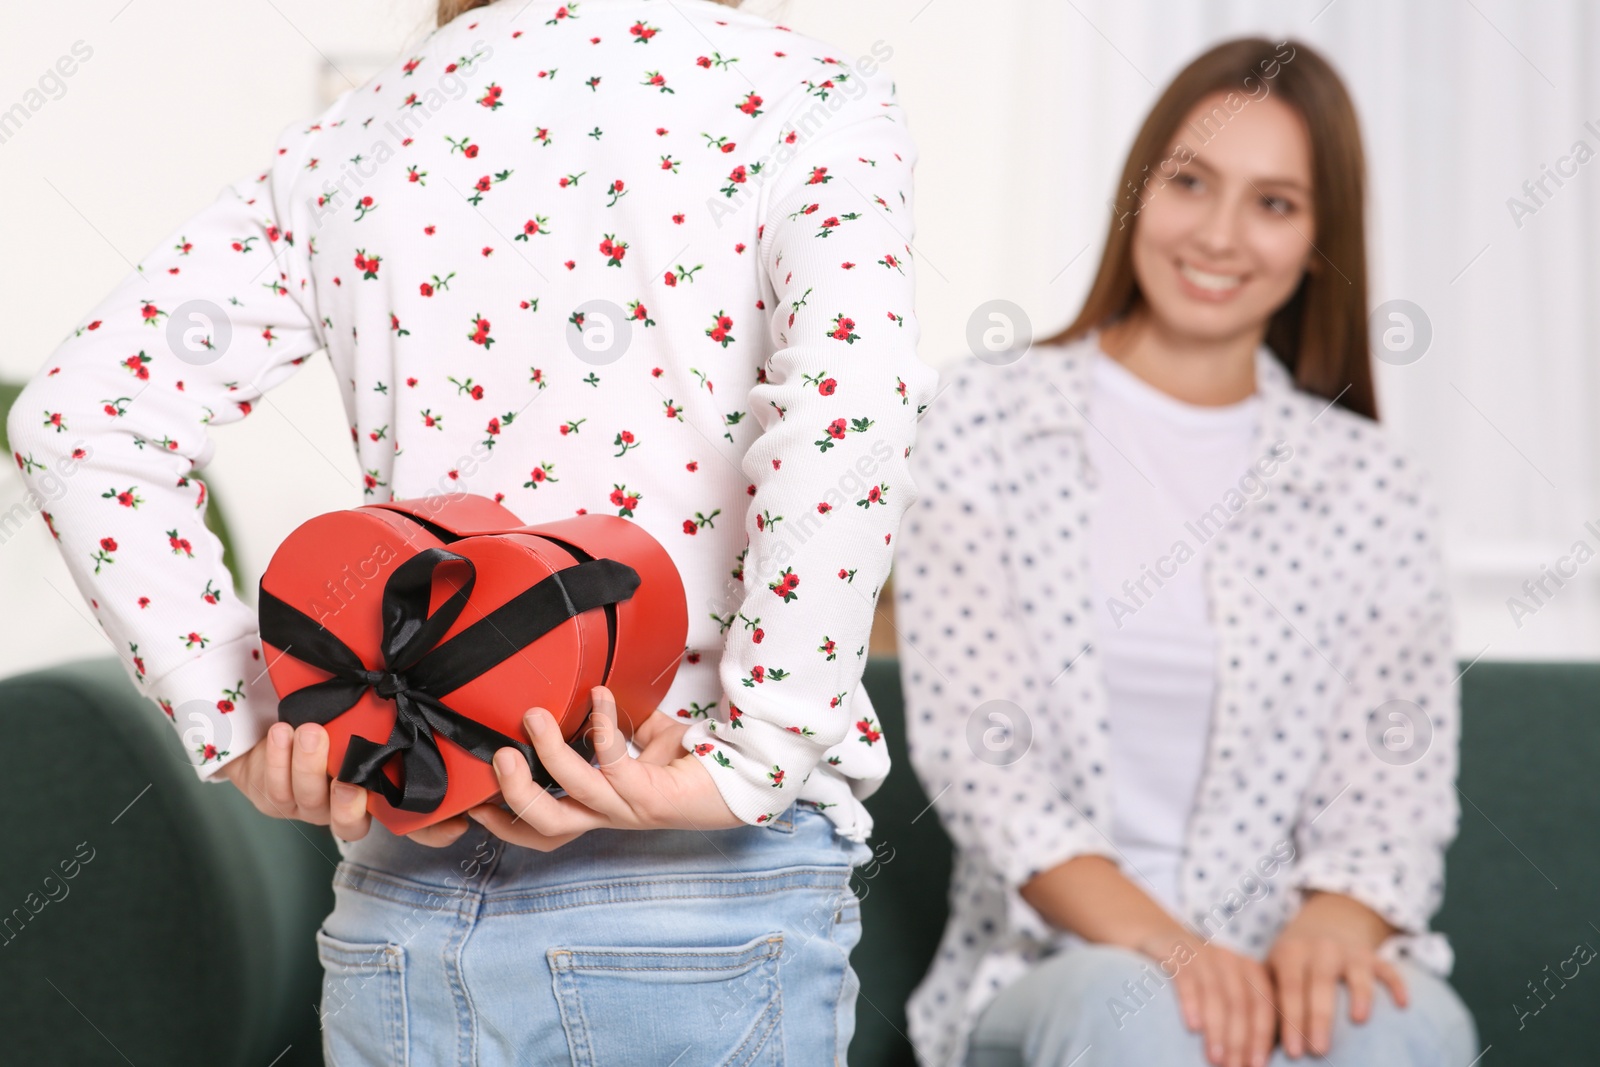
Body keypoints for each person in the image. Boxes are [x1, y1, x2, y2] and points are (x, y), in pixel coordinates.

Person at [5, 1, 935, 1063]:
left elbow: (76, 413)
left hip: (406, 896)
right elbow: (848, 406)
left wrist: (247, 715)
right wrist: (755, 752)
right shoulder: (806, 97)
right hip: (690, 882)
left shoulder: (362, 129)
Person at [893, 37, 1477, 1067]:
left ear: (1318, 235)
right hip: (1053, 964)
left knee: (1405, 1022)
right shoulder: (982, 418)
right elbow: (987, 761)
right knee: (1143, 1009)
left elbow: (1393, 778)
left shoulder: (1372, 482)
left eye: (1274, 202)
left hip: (1282, 951)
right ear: (1138, 190)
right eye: (1190, 182)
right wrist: (1172, 947)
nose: (1218, 233)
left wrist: (1330, 928)